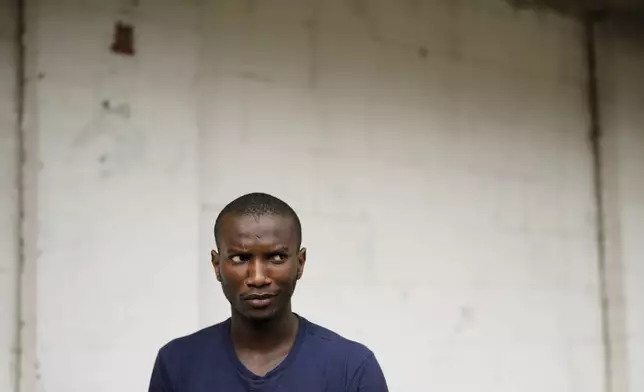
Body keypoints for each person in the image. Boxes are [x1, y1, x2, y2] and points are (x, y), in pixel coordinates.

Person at [148, 192, 389, 392]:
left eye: (276, 257)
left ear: (300, 263)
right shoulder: (177, 363)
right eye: (240, 258)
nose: (258, 277)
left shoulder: (352, 368)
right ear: (216, 265)